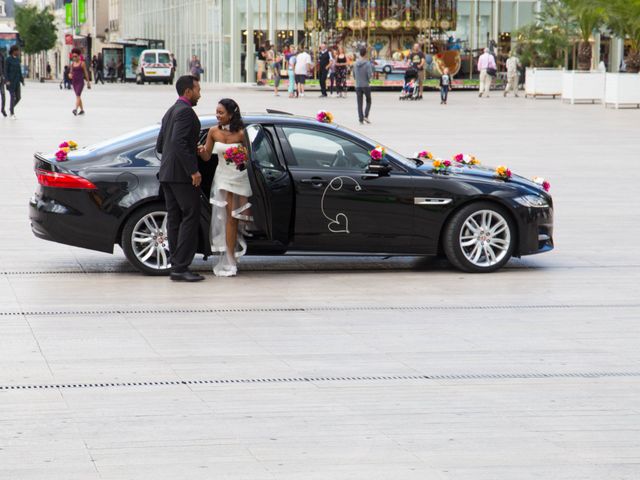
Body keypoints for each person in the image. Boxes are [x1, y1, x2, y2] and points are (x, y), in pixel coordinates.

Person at [156, 75, 204, 282]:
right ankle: (181, 266)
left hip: (167, 173)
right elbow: (177, 142)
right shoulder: (185, 112)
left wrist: (191, 147)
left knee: (174, 219)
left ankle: (176, 266)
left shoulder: (170, 111)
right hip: (181, 176)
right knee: (190, 216)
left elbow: (161, 145)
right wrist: (193, 170)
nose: (200, 94)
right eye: (198, 90)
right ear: (188, 91)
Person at [198, 98, 251, 277]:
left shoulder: (243, 134)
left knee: (237, 218)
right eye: (217, 112)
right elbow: (206, 157)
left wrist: (242, 157)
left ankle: (234, 256)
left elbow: (250, 158)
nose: (217, 115)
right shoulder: (213, 131)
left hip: (239, 177)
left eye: (221, 112)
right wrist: (202, 151)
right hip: (222, 179)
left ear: (231, 114)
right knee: (229, 218)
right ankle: (229, 260)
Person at [354, 47, 373, 124]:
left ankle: (360, 119)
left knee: (359, 103)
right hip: (366, 85)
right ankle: (366, 115)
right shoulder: (367, 63)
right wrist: (368, 80)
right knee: (368, 100)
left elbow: (354, 74)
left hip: (358, 85)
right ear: (365, 54)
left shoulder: (355, 63)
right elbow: (369, 74)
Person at [69, 47, 91, 115]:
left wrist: (88, 82)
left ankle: (75, 109)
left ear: (79, 56)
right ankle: (82, 110)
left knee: (78, 95)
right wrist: (69, 75)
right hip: (74, 82)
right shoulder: (72, 64)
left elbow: (86, 73)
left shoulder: (82, 63)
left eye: (75, 56)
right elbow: (70, 72)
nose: (74, 58)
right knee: (78, 96)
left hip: (80, 82)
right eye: (73, 56)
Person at [5, 45, 24, 120]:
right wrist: (7, 80)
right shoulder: (8, 60)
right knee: (12, 97)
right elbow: (6, 71)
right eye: (17, 51)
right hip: (10, 82)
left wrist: (22, 80)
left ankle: (10, 108)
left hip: (17, 81)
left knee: (18, 97)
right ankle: (12, 113)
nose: (18, 52)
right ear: (14, 51)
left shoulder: (18, 60)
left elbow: (19, 70)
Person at [0, 51, 6, 117]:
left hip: (1, 78)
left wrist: (4, 76)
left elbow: (4, 67)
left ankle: (2, 109)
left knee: (3, 94)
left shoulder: (1, 55)